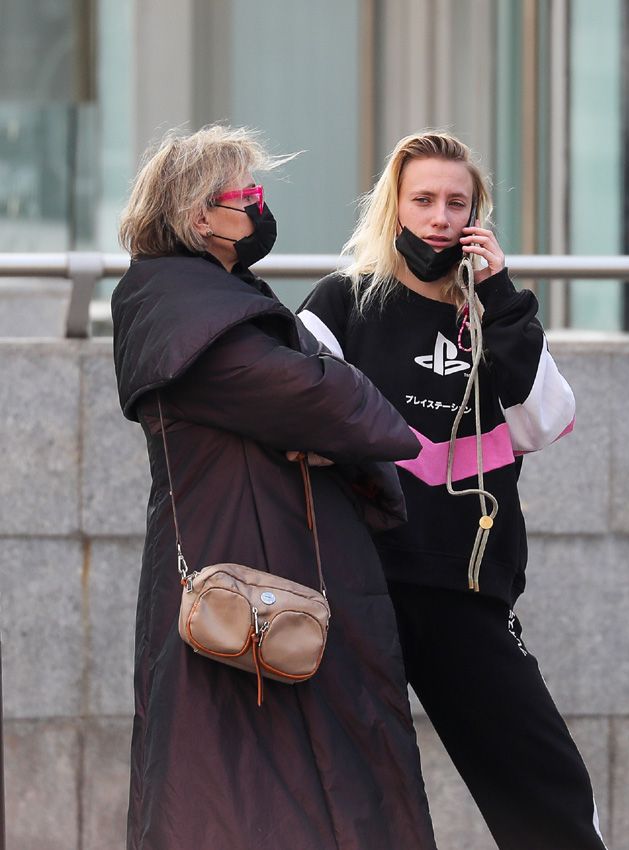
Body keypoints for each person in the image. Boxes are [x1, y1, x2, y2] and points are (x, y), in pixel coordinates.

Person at [111, 125, 438, 850]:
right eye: (246, 195)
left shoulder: (202, 300)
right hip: (247, 583)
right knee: (242, 789)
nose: (260, 208)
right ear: (201, 217)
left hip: (257, 573)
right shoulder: (186, 310)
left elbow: (324, 403)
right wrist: (333, 408)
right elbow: (339, 405)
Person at [298, 131, 608, 850]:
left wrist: (498, 298)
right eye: (424, 200)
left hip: (465, 594)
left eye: (456, 202)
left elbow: (546, 422)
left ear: (477, 216)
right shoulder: (343, 302)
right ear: (394, 209)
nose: (440, 217)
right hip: (357, 587)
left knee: (547, 788)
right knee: (350, 798)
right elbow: (296, 412)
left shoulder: (493, 319)